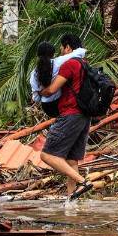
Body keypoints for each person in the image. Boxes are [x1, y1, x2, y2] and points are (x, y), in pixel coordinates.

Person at [39, 33, 95, 200]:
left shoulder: (69, 64)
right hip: (84, 116)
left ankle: (82, 182)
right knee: (71, 160)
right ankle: (72, 202)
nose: (61, 52)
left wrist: (39, 92)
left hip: (70, 114)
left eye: (62, 48)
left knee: (47, 155)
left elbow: (52, 89)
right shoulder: (84, 63)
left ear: (68, 47)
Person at [29, 41, 87, 117]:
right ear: (52, 54)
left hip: (46, 106)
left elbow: (36, 98)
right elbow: (80, 53)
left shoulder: (33, 73)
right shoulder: (58, 62)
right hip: (59, 103)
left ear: (38, 55)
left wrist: (42, 93)